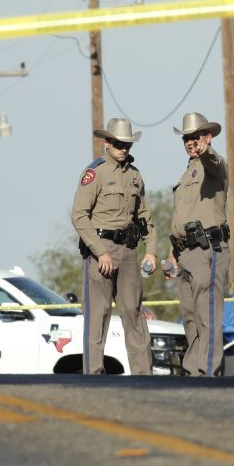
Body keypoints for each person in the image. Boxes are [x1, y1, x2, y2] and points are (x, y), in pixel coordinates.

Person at [71, 118, 158, 375]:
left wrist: (151, 250)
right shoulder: (95, 173)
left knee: (134, 312)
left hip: (129, 251)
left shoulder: (134, 175)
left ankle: (143, 375)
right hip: (102, 250)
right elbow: (79, 216)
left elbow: (145, 218)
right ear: (106, 143)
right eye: (119, 143)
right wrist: (101, 252)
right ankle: (94, 375)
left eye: (128, 144)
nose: (124, 148)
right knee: (98, 315)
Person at [164, 112, 230, 376]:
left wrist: (206, 151)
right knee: (190, 317)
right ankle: (194, 372)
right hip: (186, 252)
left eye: (196, 137)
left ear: (208, 137)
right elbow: (182, 217)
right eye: (187, 138)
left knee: (207, 314)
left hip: (207, 250)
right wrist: (172, 255)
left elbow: (214, 161)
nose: (191, 142)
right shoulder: (188, 170)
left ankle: (208, 372)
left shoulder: (213, 163)